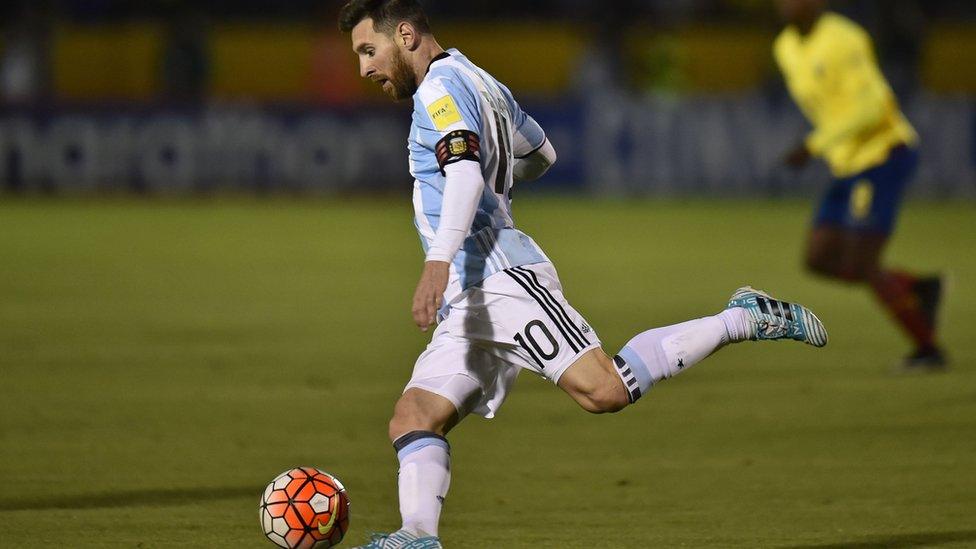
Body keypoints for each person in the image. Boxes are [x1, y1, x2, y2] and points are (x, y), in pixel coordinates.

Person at [338, 2, 827, 547]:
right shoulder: (481, 80)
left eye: (368, 50)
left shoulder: (437, 90)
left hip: (500, 278)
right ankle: (417, 537)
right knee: (414, 414)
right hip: (467, 295)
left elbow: (464, 172)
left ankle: (740, 317)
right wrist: (498, 184)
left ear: (404, 35)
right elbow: (541, 153)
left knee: (604, 391)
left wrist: (439, 256)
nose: (364, 68)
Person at [773, 0, 945, 371]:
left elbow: (872, 108)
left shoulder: (844, 38)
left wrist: (813, 144)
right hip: (848, 163)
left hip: (882, 154)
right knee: (818, 258)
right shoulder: (784, 46)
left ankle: (928, 349)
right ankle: (916, 287)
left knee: (862, 262)